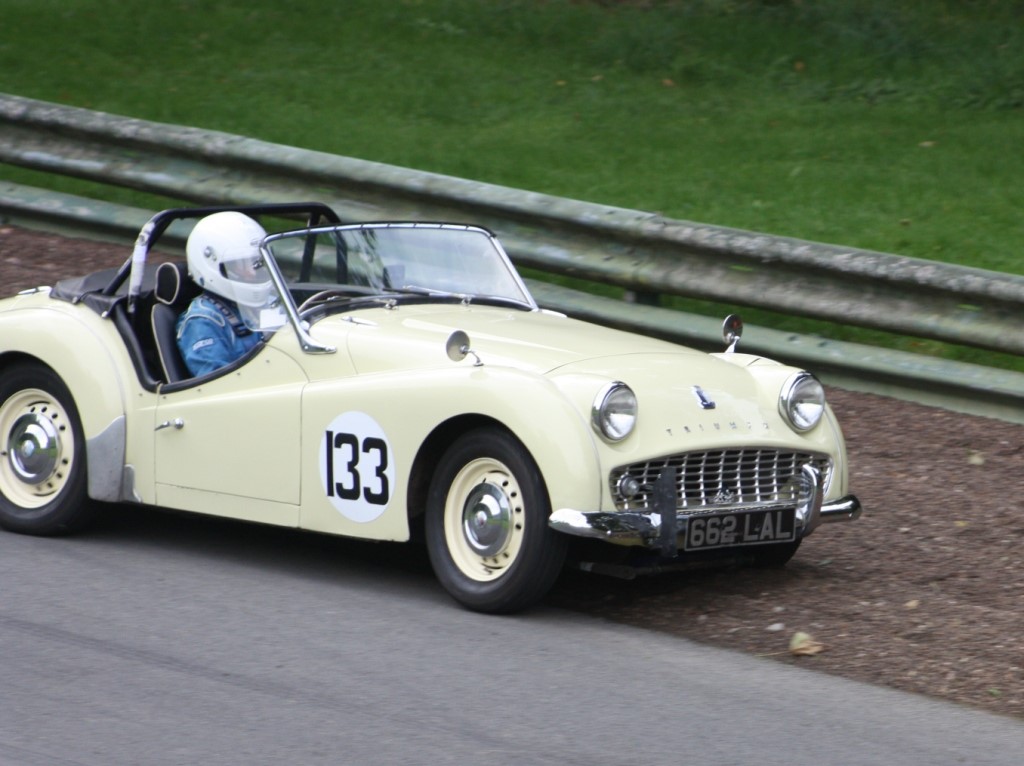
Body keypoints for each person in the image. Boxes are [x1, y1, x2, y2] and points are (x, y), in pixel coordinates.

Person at [176, 211, 276, 377]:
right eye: (240, 265)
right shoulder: (203, 321)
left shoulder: (271, 301)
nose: (252, 272)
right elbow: (218, 384)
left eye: (256, 263)